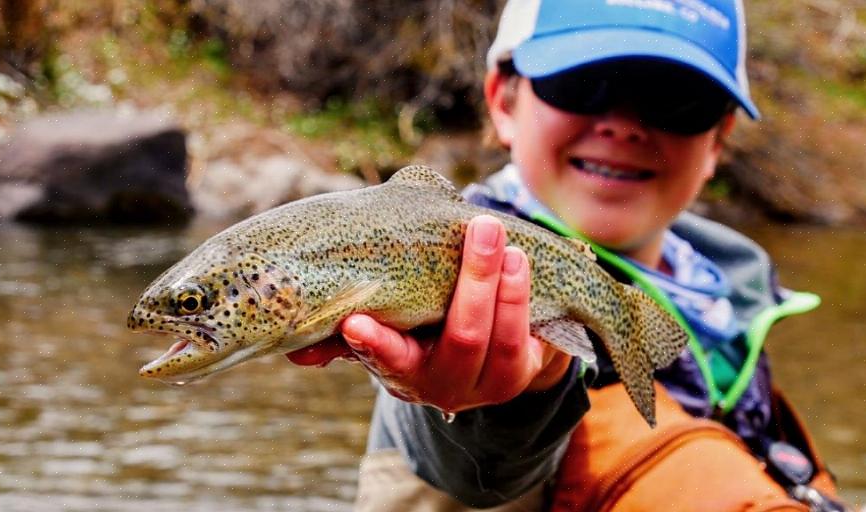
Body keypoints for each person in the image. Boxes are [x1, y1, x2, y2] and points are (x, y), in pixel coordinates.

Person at [288, 0, 852, 510]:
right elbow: (464, 469)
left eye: (675, 100)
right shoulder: (435, 248)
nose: (623, 126)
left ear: (719, 140)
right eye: (584, 84)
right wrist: (503, 402)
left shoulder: (736, 302)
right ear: (501, 101)